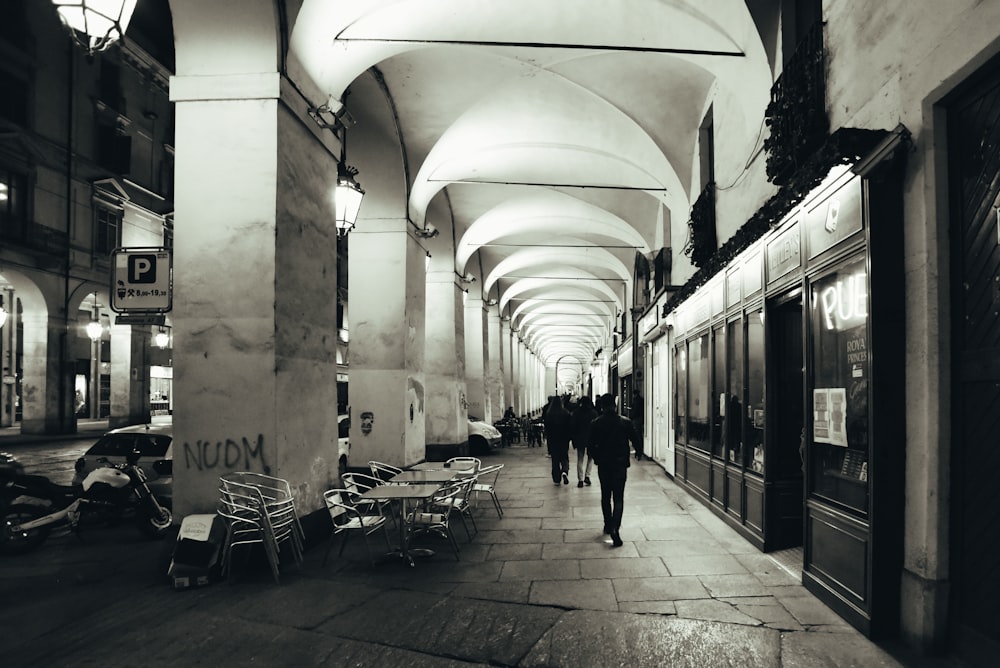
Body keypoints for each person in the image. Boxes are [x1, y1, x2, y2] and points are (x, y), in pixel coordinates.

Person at [589, 393, 639, 547]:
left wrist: (596, 458)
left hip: (604, 465)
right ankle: (615, 528)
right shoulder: (625, 422)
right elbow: (635, 439)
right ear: (615, 405)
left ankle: (607, 524)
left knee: (605, 495)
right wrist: (638, 451)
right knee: (618, 497)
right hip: (620, 464)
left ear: (602, 406)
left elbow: (590, 446)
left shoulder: (595, 423)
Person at [543, 395, 573, 486]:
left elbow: (547, 428)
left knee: (555, 459)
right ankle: (564, 470)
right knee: (564, 456)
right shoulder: (566, 413)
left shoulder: (549, 414)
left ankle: (556, 478)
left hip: (553, 440)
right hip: (563, 439)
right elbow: (570, 426)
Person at [571, 396, 598, 487]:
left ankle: (580, 479)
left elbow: (573, 427)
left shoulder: (576, 413)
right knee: (590, 458)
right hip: (591, 439)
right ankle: (587, 476)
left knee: (580, 458)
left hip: (580, 439)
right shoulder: (594, 413)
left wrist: (573, 439)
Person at [630, 390, 645, 460]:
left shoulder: (636, 401)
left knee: (637, 434)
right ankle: (640, 449)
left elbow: (635, 411)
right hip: (640, 418)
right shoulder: (641, 400)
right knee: (639, 434)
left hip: (636, 419)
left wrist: (631, 416)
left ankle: (639, 450)